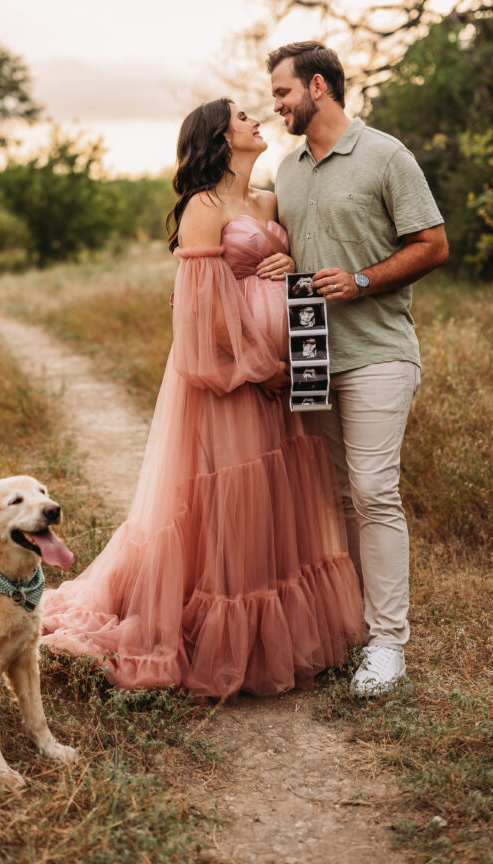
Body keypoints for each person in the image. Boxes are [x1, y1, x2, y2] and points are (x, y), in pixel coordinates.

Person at [40, 98, 364, 699]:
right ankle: (217, 638)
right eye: (243, 117)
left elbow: (285, 274)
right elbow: (205, 312)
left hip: (284, 378)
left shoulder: (267, 199)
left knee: (272, 497)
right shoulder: (202, 208)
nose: (255, 121)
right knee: (228, 495)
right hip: (233, 381)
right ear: (219, 137)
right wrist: (261, 369)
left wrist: (289, 259)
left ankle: (275, 639)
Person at [266, 41, 449, 696]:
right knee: (336, 500)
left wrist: (364, 278)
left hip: (376, 352)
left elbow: (432, 244)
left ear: (318, 86)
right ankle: (351, 626)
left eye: (283, 92)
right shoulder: (285, 170)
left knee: (373, 491)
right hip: (310, 353)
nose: (276, 104)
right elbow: (279, 253)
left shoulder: (384, 155)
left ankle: (387, 644)